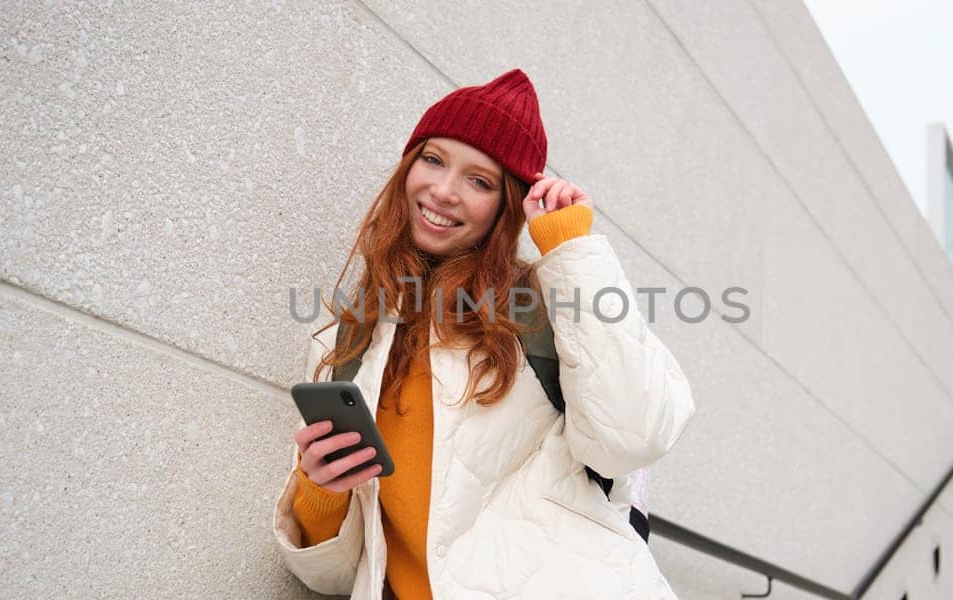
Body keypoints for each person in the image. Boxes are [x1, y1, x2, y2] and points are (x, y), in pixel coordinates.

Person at [270, 68, 695, 599]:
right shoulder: (350, 342)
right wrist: (319, 490)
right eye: (433, 159)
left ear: (506, 204)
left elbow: (633, 437)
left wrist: (572, 250)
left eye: (480, 181)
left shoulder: (544, 306)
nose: (444, 191)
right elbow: (333, 576)